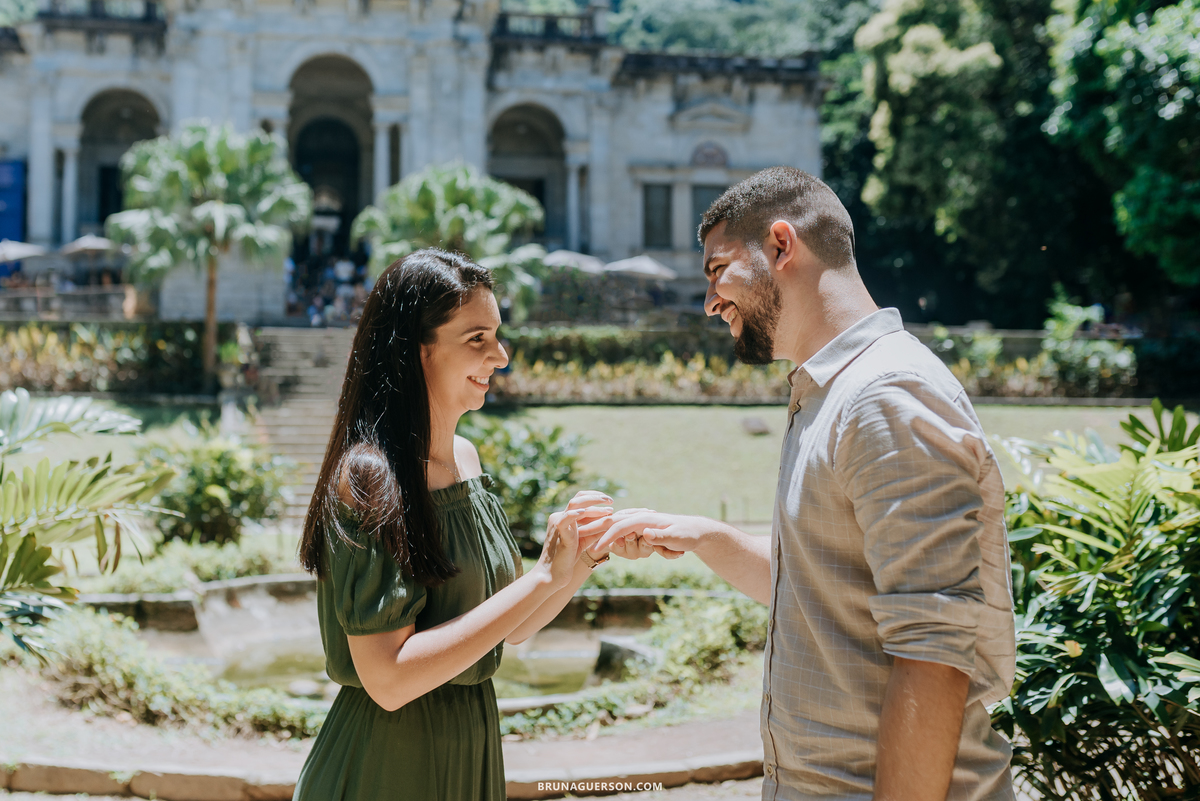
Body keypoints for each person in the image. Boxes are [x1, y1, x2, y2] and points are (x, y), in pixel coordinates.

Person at [596, 167, 1016, 801]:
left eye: (717, 270)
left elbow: (932, 656)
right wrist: (708, 538)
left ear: (781, 245)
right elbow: (831, 593)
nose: (709, 301)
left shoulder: (883, 395)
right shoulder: (831, 391)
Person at [293, 249, 652, 801]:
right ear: (417, 350)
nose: (500, 356)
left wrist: (580, 556)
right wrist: (541, 577)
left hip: (470, 747)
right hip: (387, 766)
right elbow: (388, 680)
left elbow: (507, 628)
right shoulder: (369, 479)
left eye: (497, 335)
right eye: (477, 338)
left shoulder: (466, 458)